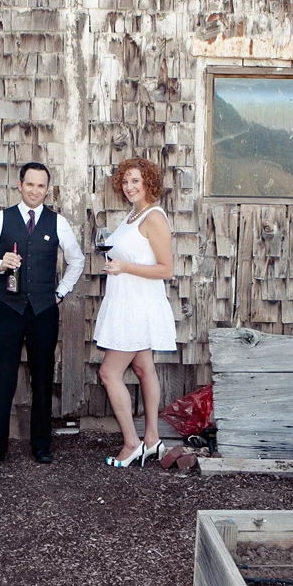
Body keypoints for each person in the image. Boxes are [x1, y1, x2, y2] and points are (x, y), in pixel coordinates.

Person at [0, 162, 84, 468]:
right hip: (8, 309)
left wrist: (60, 293)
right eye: (30, 184)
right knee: (1, 378)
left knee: (43, 378)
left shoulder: (57, 222)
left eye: (41, 186)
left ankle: (41, 446)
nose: (35, 191)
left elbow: (77, 261)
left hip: (44, 311)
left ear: (47, 189)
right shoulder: (2, 219)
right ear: (19, 185)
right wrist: (0, 263)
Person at [93, 158, 177, 468]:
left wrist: (125, 266)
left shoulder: (154, 217)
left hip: (137, 306)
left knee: (109, 372)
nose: (129, 187)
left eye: (135, 181)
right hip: (125, 299)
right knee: (143, 369)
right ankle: (152, 440)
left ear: (149, 183)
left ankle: (131, 444)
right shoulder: (132, 215)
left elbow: (166, 269)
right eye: (126, 181)